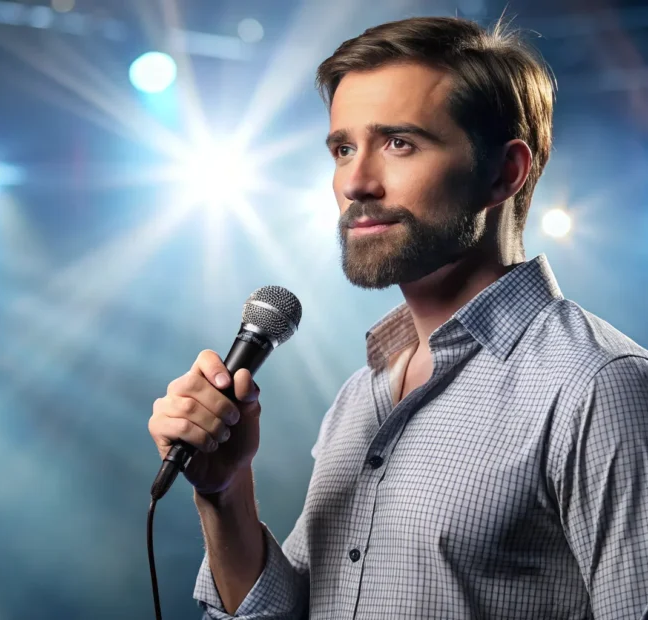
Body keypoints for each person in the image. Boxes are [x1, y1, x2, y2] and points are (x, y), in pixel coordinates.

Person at [147, 15, 648, 619]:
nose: (356, 182)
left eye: (400, 143)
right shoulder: (362, 395)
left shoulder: (598, 385)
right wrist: (224, 494)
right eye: (343, 149)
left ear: (504, 172)